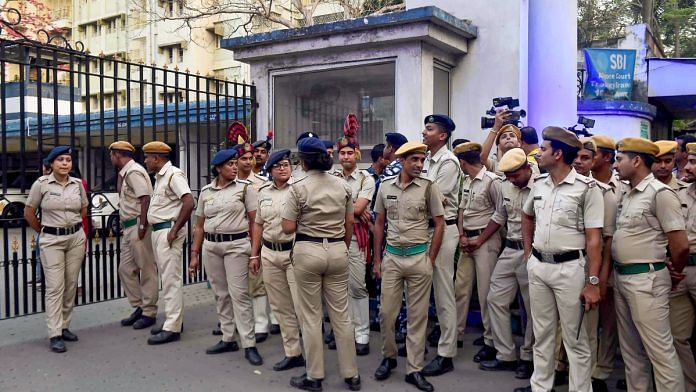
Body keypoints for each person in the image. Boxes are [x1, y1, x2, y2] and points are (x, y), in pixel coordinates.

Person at [516, 126, 603, 392]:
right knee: (542, 335)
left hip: (570, 269)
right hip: (539, 266)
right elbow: (527, 216)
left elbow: (594, 240)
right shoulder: (539, 184)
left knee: (575, 339)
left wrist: (593, 282)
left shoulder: (587, 189)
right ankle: (540, 387)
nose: (539, 153)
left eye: (544, 149)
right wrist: (529, 254)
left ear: (558, 153)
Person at [281, 137, 361, 391]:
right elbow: (350, 224)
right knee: (342, 315)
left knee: (312, 317)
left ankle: (314, 376)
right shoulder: (342, 186)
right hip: (338, 248)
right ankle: (351, 374)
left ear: (303, 161)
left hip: (308, 250)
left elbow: (287, 227)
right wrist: (341, 247)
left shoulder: (297, 187)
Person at [613, 137, 688, 392]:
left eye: (619, 159)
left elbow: (680, 245)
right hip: (623, 278)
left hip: (647, 280)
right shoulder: (628, 193)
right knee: (631, 353)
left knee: (660, 352)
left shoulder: (660, 194)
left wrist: (675, 273)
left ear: (636, 161)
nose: (616, 165)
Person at [372, 141, 444, 392]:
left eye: (422, 160)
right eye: (414, 160)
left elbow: (439, 224)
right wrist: (378, 260)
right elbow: (379, 223)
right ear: (402, 161)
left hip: (418, 259)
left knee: (417, 317)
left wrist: (430, 259)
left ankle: (414, 369)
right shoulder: (385, 186)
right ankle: (389, 356)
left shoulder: (428, 188)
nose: (419, 165)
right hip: (392, 257)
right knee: (386, 313)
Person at [188, 148, 263, 366]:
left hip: (237, 245)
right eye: (230, 164)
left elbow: (255, 222)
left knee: (239, 294)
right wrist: (194, 254)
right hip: (211, 246)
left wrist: (254, 253)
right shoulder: (206, 192)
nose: (234, 167)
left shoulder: (244, 189)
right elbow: (199, 226)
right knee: (220, 294)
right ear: (218, 168)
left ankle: (249, 343)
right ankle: (228, 337)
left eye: (234, 164)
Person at [24, 146, 88, 353]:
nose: (64, 163)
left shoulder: (78, 185)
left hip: (75, 238)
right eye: (60, 160)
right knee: (54, 287)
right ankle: (55, 333)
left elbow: (83, 209)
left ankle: (65, 325)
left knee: (70, 284)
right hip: (52, 240)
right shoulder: (41, 185)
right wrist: (43, 231)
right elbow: (29, 212)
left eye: (68, 160)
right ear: (51, 164)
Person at [478, 148, 535, 380]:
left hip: (531, 252)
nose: (511, 179)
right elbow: (500, 216)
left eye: (515, 175)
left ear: (527, 169)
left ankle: (529, 357)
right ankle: (506, 354)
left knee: (533, 309)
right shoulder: (505, 186)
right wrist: (480, 239)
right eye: (508, 175)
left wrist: (532, 255)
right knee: (495, 299)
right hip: (509, 248)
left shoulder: (540, 186)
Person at [250, 149, 305, 371]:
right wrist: (255, 253)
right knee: (281, 307)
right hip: (269, 253)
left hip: (294, 252)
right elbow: (258, 224)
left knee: (302, 306)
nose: (283, 168)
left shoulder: (300, 189)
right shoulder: (263, 192)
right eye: (278, 166)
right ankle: (293, 353)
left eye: (286, 165)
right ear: (270, 170)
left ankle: (313, 353)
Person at [572, 137, 619, 392]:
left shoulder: (604, 193)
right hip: (567, 267)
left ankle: (592, 377)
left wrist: (599, 279)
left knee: (593, 327)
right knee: (565, 326)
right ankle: (566, 371)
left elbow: (606, 242)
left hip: (594, 268)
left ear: (595, 161)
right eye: (576, 157)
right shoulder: (564, 188)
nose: (579, 162)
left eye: (585, 158)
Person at [451, 142, 504, 364]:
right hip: (468, 240)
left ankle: (489, 340)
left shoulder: (492, 181)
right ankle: (456, 334)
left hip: (486, 240)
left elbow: (501, 214)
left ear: (463, 162)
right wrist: (462, 235)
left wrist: (480, 239)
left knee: (486, 294)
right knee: (460, 289)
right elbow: (462, 209)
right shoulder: (467, 181)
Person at [420, 114, 461, 377]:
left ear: (443, 135)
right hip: (423, 230)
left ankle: (446, 353)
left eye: (430, 128)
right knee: (422, 290)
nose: (424, 132)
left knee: (443, 292)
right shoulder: (425, 159)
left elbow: (436, 198)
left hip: (443, 230)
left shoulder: (448, 162)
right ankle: (419, 345)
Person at [142, 141, 194, 345]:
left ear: (156, 158)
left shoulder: (173, 174)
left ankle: (172, 327)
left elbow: (189, 201)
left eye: (148, 157)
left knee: (171, 279)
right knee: (167, 278)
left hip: (167, 231)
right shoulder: (160, 177)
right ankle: (173, 320)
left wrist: (175, 229)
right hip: (159, 231)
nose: (145, 161)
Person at [334, 123, 375, 356]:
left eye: (350, 152)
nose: (346, 156)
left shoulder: (365, 179)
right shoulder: (331, 176)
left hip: (356, 238)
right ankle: (345, 333)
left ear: (357, 154)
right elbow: (355, 209)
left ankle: (362, 335)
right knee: (338, 287)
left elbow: (360, 208)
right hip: (332, 237)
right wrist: (354, 209)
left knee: (358, 286)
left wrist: (350, 208)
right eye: (342, 153)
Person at [110, 141, 159, 330]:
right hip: (128, 227)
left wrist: (142, 225)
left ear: (116, 155)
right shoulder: (126, 173)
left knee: (146, 269)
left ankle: (149, 312)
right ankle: (139, 305)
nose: (111, 159)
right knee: (125, 269)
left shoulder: (134, 172)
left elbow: (145, 198)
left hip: (138, 226)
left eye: (112, 155)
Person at [588, 134, 623, 389]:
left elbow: (611, 238)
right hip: (586, 262)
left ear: (607, 157)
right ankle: (573, 368)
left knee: (608, 323)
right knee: (584, 321)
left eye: (593, 153)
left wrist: (602, 275)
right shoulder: (582, 185)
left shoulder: (621, 187)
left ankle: (601, 372)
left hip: (611, 264)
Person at [237, 141, 277, 342]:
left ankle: (261, 325)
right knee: (235, 284)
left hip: (255, 237)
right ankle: (239, 322)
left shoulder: (262, 183)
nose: (247, 161)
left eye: (249, 157)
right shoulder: (228, 182)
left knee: (257, 282)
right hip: (234, 238)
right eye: (243, 158)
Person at [673, 142, 696, 392]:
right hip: (680, 269)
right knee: (676, 336)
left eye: (693, 162)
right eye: (688, 160)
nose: (687, 167)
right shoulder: (681, 193)